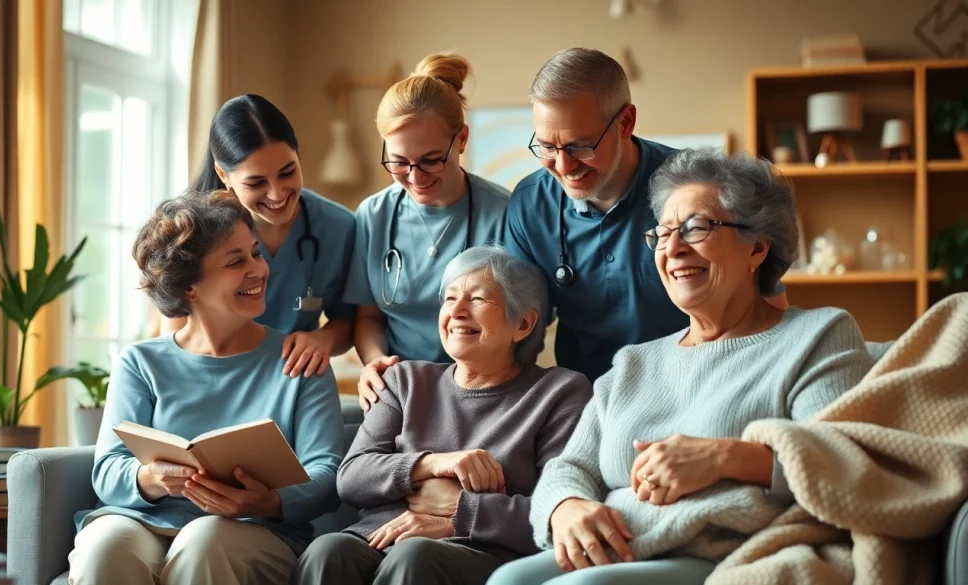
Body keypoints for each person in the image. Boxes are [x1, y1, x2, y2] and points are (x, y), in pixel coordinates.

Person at [487, 149, 873, 585]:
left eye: (696, 228)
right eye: (663, 233)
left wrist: (723, 457)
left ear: (758, 247)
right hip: (624, 543)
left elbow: (844, 464)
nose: (672, 247)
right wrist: (566, 507)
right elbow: (569, 467)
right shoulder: (635, 361)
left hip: (725, 551)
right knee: (507, 581)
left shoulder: (818, 335)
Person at [70, 192, 346, 585]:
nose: (259, 269)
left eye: (254, 253)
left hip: (255, 529)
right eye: (236, 262)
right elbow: (109, 469)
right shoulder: (141, 363)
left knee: (205, 539)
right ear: (189, 289)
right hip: (144, 520)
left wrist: (270, 501)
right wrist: (152, 477)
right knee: (104, 547)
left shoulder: (300, 360)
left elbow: (328, 472)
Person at [293, 246, 593, 585]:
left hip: (479, 549)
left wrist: (462, 513)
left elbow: (558, 508)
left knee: (415, 555)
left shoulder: (560, 392)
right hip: (375, 536)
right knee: (326, 551)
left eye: (478, 300)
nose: (458, 311)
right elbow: (351, 479)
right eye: (449, 299)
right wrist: (433, 464)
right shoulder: (403, 379)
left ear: (523, 323)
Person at [504, 48, 786, 383]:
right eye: (548, 147)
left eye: (581, 146)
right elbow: (517, 328)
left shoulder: (696, 189)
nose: (563, 167)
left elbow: (767, 303)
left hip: (698, 385)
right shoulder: (530, 205)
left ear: (625, 122)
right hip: (587, 400)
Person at [343, 53, 510, 410]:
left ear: (461, 139)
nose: (416, 178)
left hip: (482, 391)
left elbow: (522, 325)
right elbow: (369, 317)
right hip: (398, 390)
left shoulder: (504, 214)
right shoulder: (374, 214)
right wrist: (375, 363)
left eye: (432, 160)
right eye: (399, 162)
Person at [165, 94, 356, 379]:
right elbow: (178, 333)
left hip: (288, 379)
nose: (277, 194)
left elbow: (348, 321)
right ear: (223, 174)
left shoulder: (337, 227)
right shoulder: (193, 233)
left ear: (298, 155)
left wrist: (322, 339)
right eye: (256, 182)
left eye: (288, 172)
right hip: (210, 375)